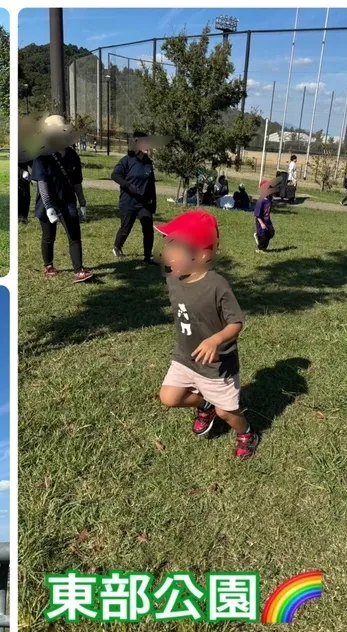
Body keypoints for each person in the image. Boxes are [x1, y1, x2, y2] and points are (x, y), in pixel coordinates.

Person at [155, 210, 260, 459]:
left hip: (216, 366)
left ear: (202, 255)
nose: (168, 254)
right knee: (169, 397)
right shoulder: (172, 278)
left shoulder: (217, 285)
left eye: (177, 248)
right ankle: (205, 404)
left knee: (227, 412)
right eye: (168, 245)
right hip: (185, 356)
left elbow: (236, 322)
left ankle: (247, 432)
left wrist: (215, 340)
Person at [30, 115, 94, 283]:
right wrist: (49, 207)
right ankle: (48, 264)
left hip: (68, 201)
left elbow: (77, 182)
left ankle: (79, 270)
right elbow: (42, 183)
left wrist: (82, 202)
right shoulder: (42, 155)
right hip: (47, 203)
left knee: (74, 235)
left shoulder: (73, 156)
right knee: (49, 236)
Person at [111, 132, 165, 263]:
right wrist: (128, 185)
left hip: (144, 203)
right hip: (128, 201)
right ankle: (117, 247)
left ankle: (147, 257)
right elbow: (115, 175)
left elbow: (151, 184)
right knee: (125, 228)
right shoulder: (126, 161)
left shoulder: (148, 163)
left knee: (148, 228)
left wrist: (153, 204)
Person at [254, 178, 278, 252]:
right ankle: (260, 249)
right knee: (264, 236)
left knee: (271, 233)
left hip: (267, 220)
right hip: (261, 220)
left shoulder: (270, 198)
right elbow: (257, 214)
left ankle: (259, 238)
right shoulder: (260, 201)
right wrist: (261, 223)